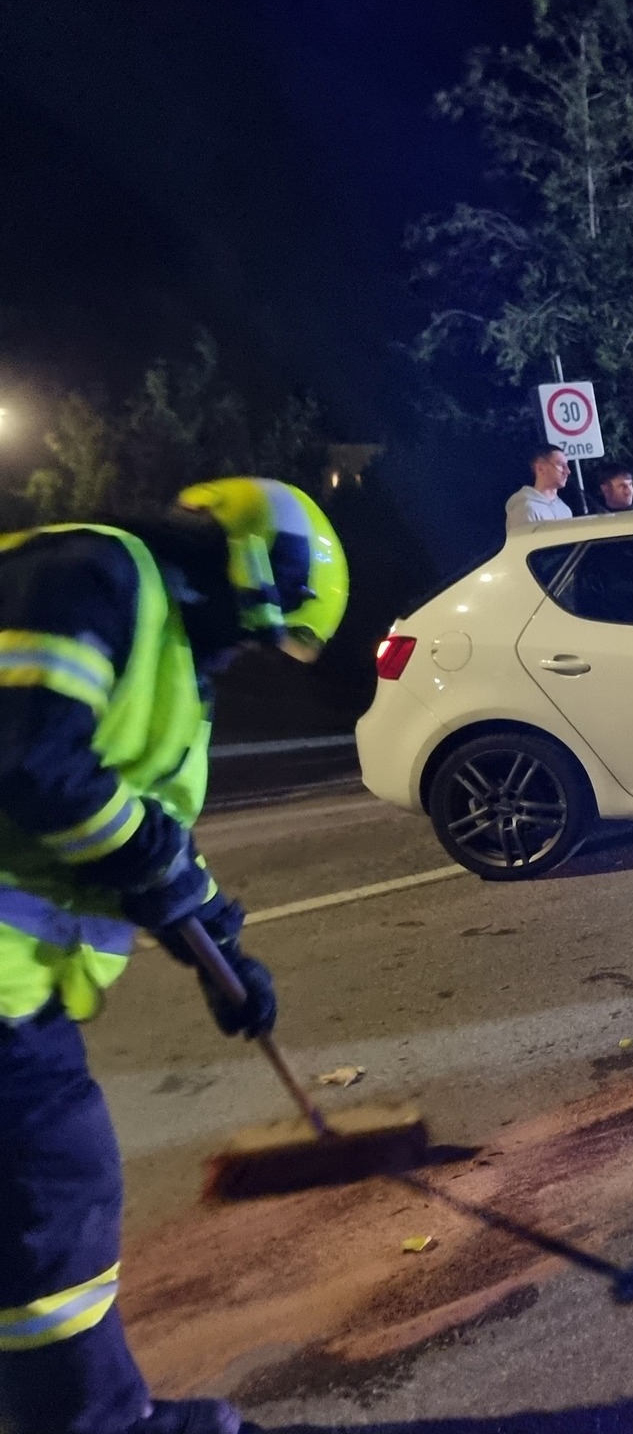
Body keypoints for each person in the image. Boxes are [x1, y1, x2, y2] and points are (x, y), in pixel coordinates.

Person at [0, 479, 349, 1434]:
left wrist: (219, 953)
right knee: (54, 1185)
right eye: (248, 633)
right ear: (239, 575)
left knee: (35, 1195)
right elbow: (33, 764)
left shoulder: (160, 637)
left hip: (17, 989)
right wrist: (157, 870)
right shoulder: (84, 576)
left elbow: (145, 833)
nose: (239, 656)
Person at [506, 446, 575, 531]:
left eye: (566, 465)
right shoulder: (525, 509)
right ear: (540, 469)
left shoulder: (564, 509)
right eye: (560, 465)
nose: (567, 471)